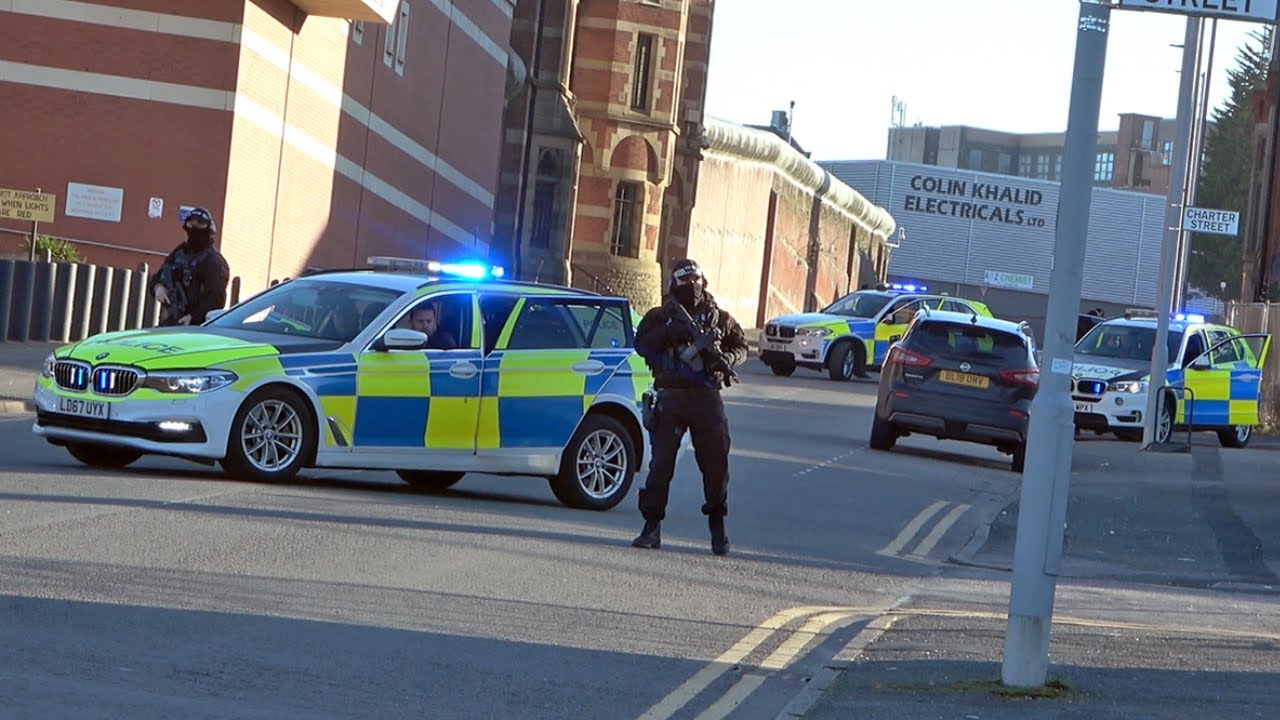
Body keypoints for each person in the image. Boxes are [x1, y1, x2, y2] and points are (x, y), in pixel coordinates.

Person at [631, 258, 749, 556]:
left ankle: (717, 528)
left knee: (716, 465)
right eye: (685, 281)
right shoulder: (660, 316)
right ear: (674, 284)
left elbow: (742, 347)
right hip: (671, 398)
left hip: (707, 398)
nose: (692, 286)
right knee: (660, 467)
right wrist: (668, 333)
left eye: (696, 280)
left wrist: (726, 361)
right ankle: (651, 528)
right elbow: (641, 345)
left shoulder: (720, 319)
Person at [150, 207, 230, 326]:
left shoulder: (214, 261)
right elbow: (158, 276)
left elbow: (216, 299)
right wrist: (158, 287)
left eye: (200, 224)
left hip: (197, 326)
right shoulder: (179, 253)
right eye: (191, 224)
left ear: (209, 228)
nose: (194, 228)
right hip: (170, 320)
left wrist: (193, 317)